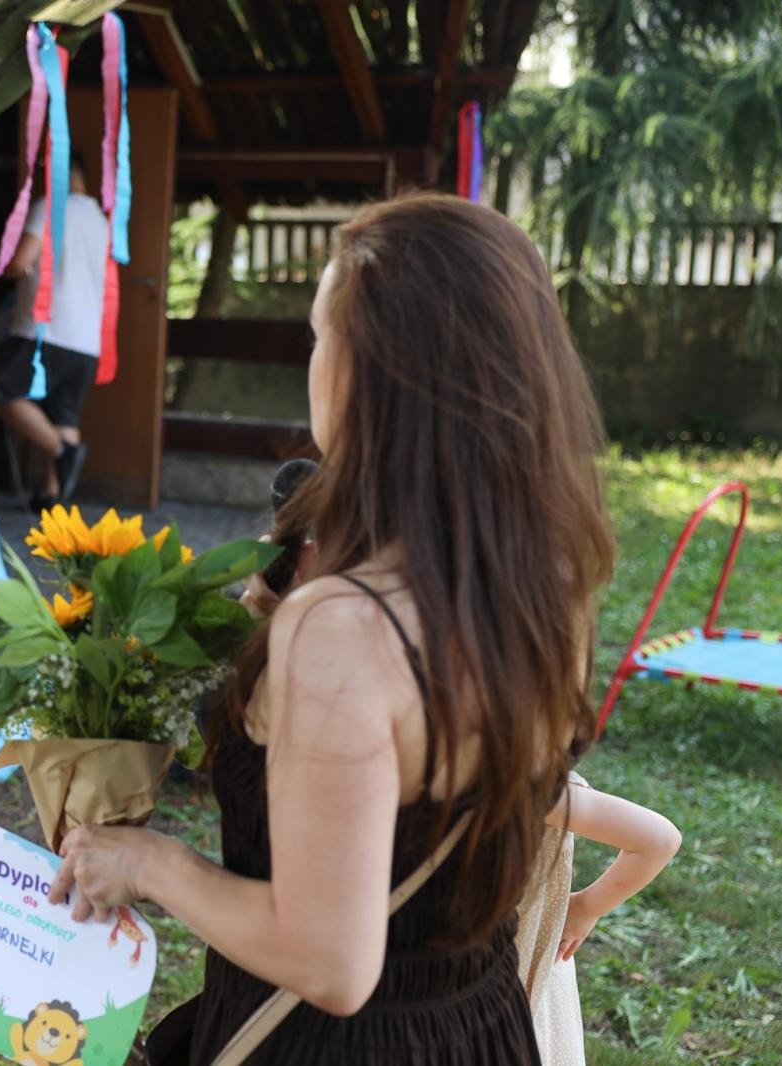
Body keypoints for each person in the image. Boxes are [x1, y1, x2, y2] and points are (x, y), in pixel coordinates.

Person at [48, 193, 616, 1063]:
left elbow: (330, 960)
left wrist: (149, 864)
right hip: (476, 1026)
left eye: (322, 337)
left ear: (375, 372)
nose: (313, 361)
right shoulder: (548, 577)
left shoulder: (344, 629)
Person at [517, 775, 682, 1064]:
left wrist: (586, 907)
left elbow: (660, 840)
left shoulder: (525, 788)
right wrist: (586, 908)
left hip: (516, 968)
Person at [0, 152, 109, 509]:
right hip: (87, 339)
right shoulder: (100, 220)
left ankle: (61, 451)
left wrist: (2, 271)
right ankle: (53, 499)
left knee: (1, 392)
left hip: (45, 331)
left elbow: (20, 262)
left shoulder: (52, 206)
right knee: (64, 414)